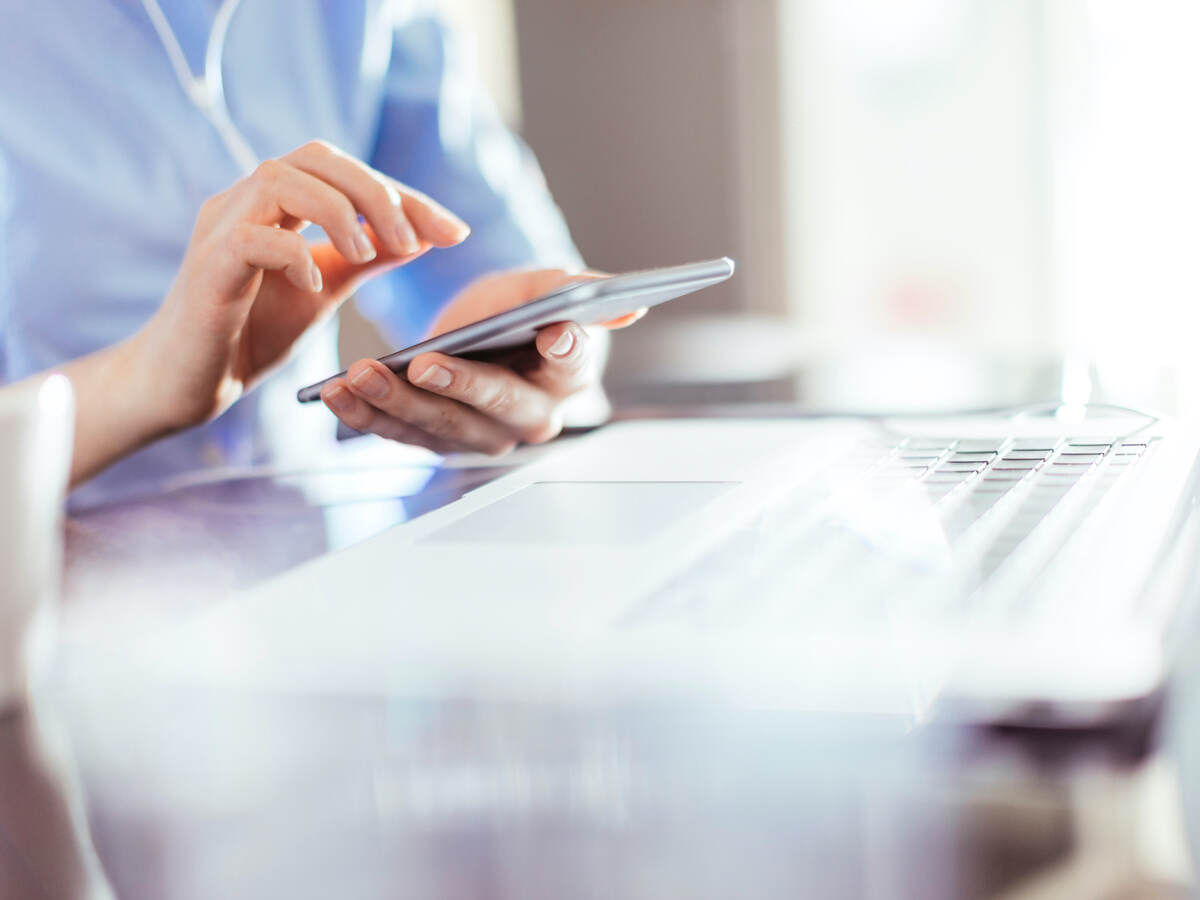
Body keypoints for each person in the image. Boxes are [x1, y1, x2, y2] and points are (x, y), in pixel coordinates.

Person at [0, 1, 628, 506]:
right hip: (46, 605)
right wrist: (140, 384)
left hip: (312, 568)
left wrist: (535, 355)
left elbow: (513, 276)